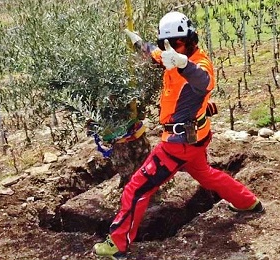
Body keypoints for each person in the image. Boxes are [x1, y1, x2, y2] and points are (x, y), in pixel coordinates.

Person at [93, 11, 264, 259]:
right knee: (205, 174)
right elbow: (157, 54)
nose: (172, 48)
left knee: (136, 189)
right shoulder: (173, 57)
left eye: (178, 43)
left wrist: (182, 63)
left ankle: (117, 244)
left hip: (178, 144)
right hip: (195, 138)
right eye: (168, 43)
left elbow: (202, 79)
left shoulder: (197, 65)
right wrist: (139, 42)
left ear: (190, 39)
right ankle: (248, 202)